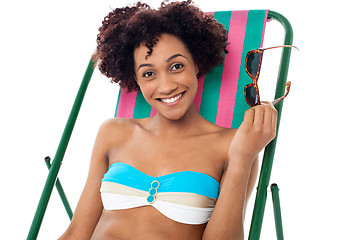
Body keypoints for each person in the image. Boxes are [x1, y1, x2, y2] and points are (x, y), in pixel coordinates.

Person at [59, 1, 277, 239]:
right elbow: (77, 232)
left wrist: (241, 160)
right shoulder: (114, 132)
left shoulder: (234, 146)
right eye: (149, 73)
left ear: (196, 63)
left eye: (176, 66)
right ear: (135, 79)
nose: (166, 86)